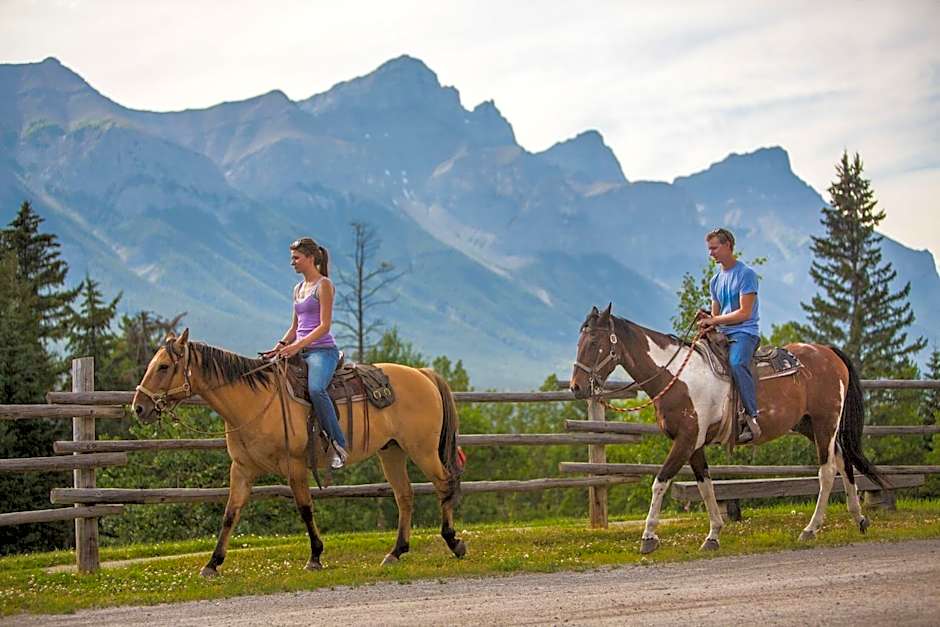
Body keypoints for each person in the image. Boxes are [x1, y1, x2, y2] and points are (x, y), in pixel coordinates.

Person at [264, 237, 347, 468]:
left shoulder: (324, 286)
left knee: (316, 389)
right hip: (299, 350)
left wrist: (298, 346)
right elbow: (295, 327)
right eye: (292, 258)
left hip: (322, 351)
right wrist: (280, 345)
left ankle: (339, 444)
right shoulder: (298, 289)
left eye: (296, 258)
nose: (293, 262)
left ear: (310, 258)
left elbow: (324, 326)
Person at [697, 228, 762, 443]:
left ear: (728, 246)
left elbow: (744, 312)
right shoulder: (715, 281)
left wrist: (714, 320)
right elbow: (717, 314)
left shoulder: (747, 275)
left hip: (745, 332)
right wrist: (708, 321)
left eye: (714, 248)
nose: (711, 254)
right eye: (709, 249)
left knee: (736, 363)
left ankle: (751, 417)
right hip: (724, 334)